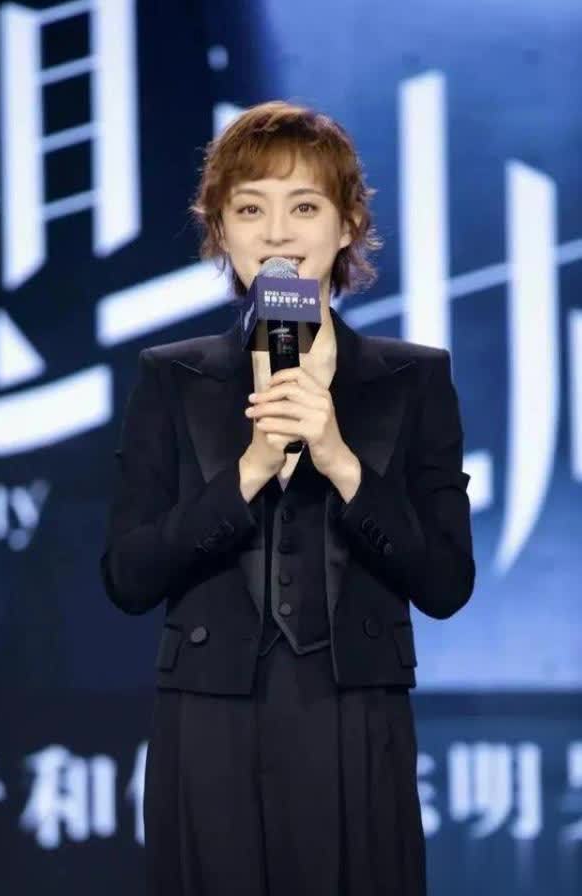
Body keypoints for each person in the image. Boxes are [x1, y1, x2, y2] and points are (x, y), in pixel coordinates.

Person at [100, 100, 475, 896]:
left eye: (303, 207)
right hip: (209, 720)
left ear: (347, 226)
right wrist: (247, 470)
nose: (276, 234)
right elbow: (128, 576)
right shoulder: (172, 378)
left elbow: (447, 582)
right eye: (249, 210)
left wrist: (340, 461)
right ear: (219, 231)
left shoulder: (413, 379)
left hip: (354, 716)